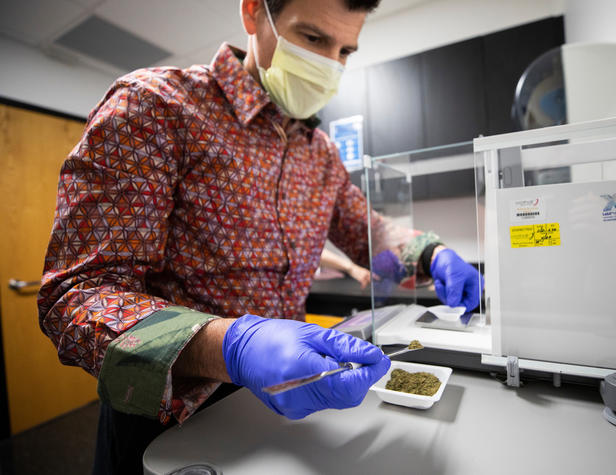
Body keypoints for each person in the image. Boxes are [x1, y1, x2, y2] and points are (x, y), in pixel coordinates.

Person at [37, 0, 481, 472]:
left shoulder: (320, 154)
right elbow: (77, 297)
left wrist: (431, 253)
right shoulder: (156, 107)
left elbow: (368, 228)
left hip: (286, 406)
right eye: (313, 39)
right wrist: (231, 345)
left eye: (346, 49)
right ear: (253, 14)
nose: (330, 63)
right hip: (169, 422)